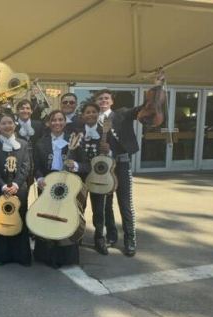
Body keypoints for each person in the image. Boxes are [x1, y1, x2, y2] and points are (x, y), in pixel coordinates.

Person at [33, 110, 89, 267]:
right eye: (53, 120)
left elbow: (87, 165)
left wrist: (76, 165)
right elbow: (36, 167)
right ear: (48, 123)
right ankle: (46, 255)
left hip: (68, 184)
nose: (57, 123)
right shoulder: (40, 143)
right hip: (48, 184)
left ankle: (65, 257)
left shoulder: (75, 141)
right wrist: (39, 178)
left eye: (60, 120)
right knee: (47, 218)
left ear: (65, 122)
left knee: (66, 218)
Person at [94, 89, 140, 256]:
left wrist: (157, 87)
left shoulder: (122, 114)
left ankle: (130, 239)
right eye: (100, 99)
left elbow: (139, 110)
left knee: (125, 203)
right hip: (104, 166)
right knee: (106, 204)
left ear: (112, 101)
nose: (103, 101)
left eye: (106, 98)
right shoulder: (94, 120)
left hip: (121, 164)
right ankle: (111, 236)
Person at [0, 111, 32, 266]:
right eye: (3, 123)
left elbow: (26, 166)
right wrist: (2, 185)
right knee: (0, 221)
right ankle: (1, 255)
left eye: (10, 123)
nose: (7, 126)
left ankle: (20, 255)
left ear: (15, 125)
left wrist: (17, 184)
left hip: (19, 189)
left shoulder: (23, 143)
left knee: (20, 219)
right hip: (0, 189)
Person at [79, 103, 110, 255]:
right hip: (81, 175)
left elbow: (112, 155)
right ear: (83, 115)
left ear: (98, 114)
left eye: (93, 112)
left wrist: (108, 150)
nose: (90, 114)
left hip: (99, 175)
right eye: (87, 112)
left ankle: (99, 238)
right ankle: (77, 235)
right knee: (79, 207)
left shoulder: (104, 131)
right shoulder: (77, 132)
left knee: (99, 210)